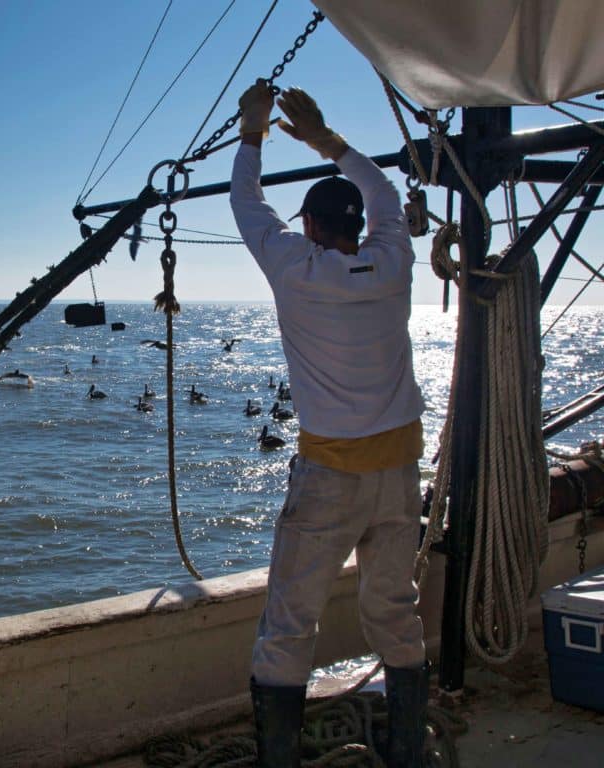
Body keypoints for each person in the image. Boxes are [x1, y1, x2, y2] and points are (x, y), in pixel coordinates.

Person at [230, 81, 427, 768]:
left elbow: (246, 204)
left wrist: (252, 129)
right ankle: (408, 752)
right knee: (395, 612)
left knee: (289, 624)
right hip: (401, 473)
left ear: (312, 227)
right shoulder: (395, 262)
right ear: (357, 225)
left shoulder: (295, 270)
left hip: (331, 476)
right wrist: (323, 138)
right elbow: (384, 193)